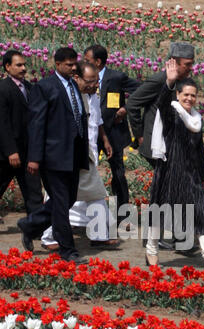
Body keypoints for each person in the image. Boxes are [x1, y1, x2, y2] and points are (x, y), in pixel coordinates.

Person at [145, 59, 204, 272]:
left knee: (199, 213)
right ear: (178, 95)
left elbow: (199, 151)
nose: (190, 99)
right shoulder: (171, 113)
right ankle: (151, 250)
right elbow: (161, 103)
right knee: (161, 214)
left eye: (193, 95)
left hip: (191, 176)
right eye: (186, 94)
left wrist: (203, 176)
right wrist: (170, 82)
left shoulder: (196, 119)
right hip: (170, 173)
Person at [17, 47, 89, 264]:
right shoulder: (44, 87)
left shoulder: (74, 85)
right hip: (53, 155)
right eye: (68, 64)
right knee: (59, 203)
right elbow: (37, 124)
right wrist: (34, 157)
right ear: (56, 64)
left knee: (68, 200)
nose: (73, 67)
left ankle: (30, 225)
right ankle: (68, 251)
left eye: (74, 63)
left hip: (73, 154)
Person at [41, 61, 119, 251]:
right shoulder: (66, 96)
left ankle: (99, 234)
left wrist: (105, 140)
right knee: (60, 197)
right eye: (90, 81)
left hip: (87, 154)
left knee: (96, 194)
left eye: (96, 81)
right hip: (66, 156)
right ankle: (47, 235)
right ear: (77, 78)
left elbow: (97, 120)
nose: (94, 85)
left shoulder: (91, 95)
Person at [127, 42, 195, 251]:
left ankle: (172, 237)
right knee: (167, 190)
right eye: (187, 64)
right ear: (174, 62)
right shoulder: (160, 80)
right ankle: (164, 238)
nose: (190, 68)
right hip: (157, 146)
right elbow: (133, 103)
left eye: (192, 64)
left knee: (171, 190)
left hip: (172, 145)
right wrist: (139, 136)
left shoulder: (183, 81)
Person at [84, 44, 140, 219]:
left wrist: (125, 108)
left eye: (88, 60)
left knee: (118, 174)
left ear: (98, 62)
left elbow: (141, 90)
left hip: (114, 133)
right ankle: (86, 215)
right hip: (92, 133)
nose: (84, 62)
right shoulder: (83, 77)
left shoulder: (116, 77)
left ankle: (122, 214)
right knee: (86, 172)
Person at [0, 50, 43, 223]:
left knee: (33, 191)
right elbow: (2, 123)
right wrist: (11, 151)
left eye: (24, 64)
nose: (24, 68)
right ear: (7, 67)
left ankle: (36, 226)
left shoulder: (30, 88)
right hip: (7, 154)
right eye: (19, 65)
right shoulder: (3, 89)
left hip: (27, 152)